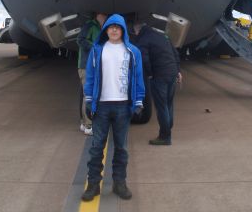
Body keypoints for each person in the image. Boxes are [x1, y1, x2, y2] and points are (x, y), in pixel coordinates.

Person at [81, 14, 145, 202]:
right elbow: (90, 76)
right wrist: (89, 100)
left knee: (121, 148)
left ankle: (119, 183)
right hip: (101, 106)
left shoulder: (133, 51)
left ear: (123, 30)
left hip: (123, 106)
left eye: (118, 27)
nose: (115, 30)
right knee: (96, 147)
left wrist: (138, 100)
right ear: (106, 30)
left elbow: (138, 77)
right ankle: (93, 185)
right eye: (111, 27)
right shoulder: (97, 50)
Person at [133, 21, 182, 146]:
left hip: (159, 75)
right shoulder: (163, 36)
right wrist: (178, 71)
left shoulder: (143, 39)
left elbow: (144, 59)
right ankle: (168, 129)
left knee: (161, 107)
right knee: (169, 104)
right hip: (172, 73)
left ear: (137, 31)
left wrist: (149, 73)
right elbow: (175, 54)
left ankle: (165, 137)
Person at [77, 13, 107, 136]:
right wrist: (94, 47)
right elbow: (80, 40)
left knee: (88, 95)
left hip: (92, 65)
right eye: (103, 16)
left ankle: (84, 123)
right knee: (88, 95)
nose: (105, 18)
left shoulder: (100, 28)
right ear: (98, 16)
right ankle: (88, 125)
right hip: (85, 66)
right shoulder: (90, 26)